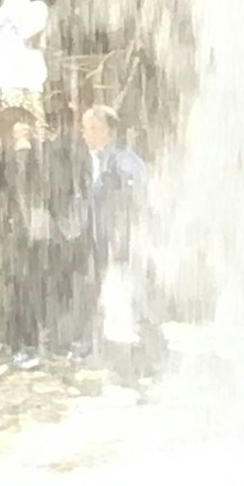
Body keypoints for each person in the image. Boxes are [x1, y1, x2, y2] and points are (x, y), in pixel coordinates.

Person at [73, 99, 155, 379]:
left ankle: (136, 364)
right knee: (111, 298)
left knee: (126, 299)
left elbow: (133, 202)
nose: (83, 134)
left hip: (120, 243)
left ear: (105, 130)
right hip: (105, 240)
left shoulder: (123, 161)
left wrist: (121, 239)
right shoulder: (101, 159)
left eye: (88, 128)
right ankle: (112, 355)